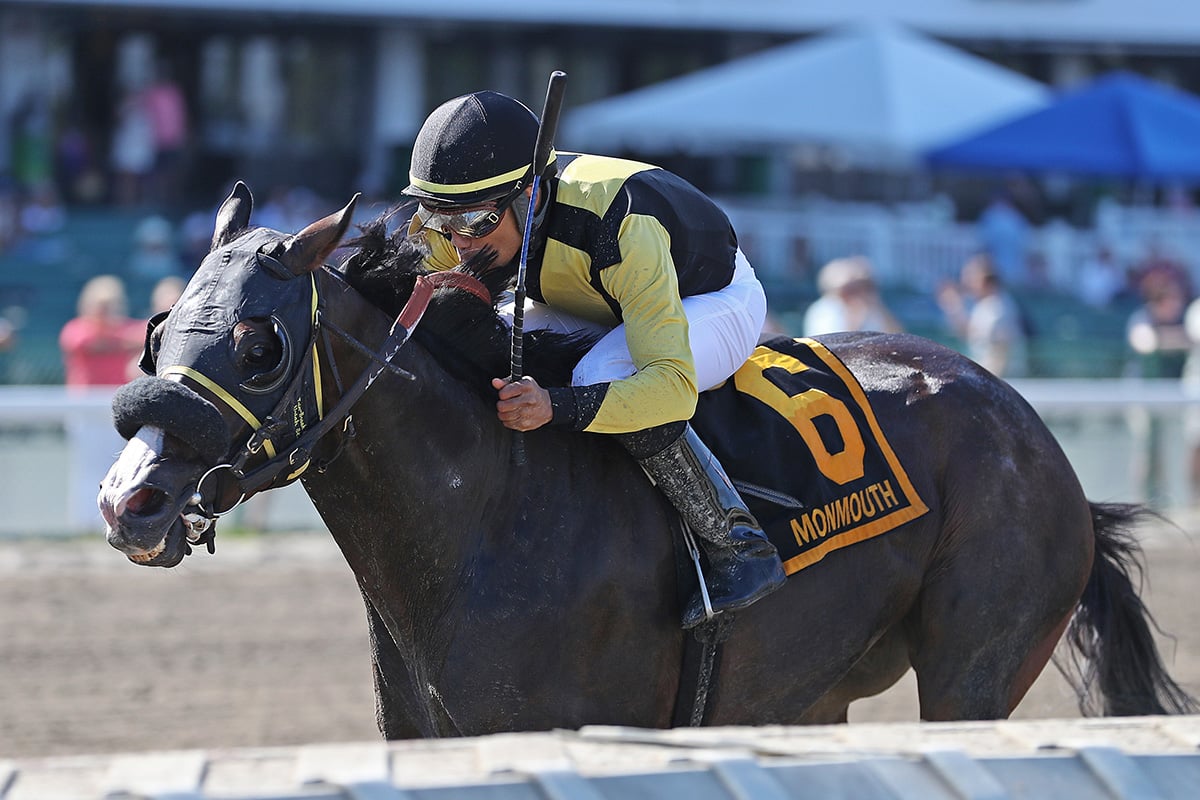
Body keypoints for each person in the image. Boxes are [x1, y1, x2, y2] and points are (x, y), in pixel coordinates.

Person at [401, 89, 786, 628]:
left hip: (708, 298)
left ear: (530, 197)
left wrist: (553, 407)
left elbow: (671, 387)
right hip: (589, 296)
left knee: (600, 371)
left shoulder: (623, 222)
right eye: (439, 220)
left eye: (471, 224)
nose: (455, 241)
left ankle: (735, 542)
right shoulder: (466, 217)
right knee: (482, 341)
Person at [937, 254, 1029, 378]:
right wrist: (954, 307)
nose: (966, 283)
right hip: (988, 379)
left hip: (1004, 381)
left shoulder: (998, 309)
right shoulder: (985, 306)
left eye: (971, 277)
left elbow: (1001, 354)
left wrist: (988, 386)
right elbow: (973, 334)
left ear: (985, 279)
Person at [59, 274, 146, 387]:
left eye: (110, 306)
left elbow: (147, 339)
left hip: (119, 393)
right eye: (101, 306)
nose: (105, 312)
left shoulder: (129, 327)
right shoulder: (76, 329)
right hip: (86, 396)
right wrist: (126, 343)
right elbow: (91, 345)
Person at [802, 256, 903, 337]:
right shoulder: (825, 309)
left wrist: (874, 303)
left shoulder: (872, 308)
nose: (858, 291)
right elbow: (835, 345)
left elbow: (897, 339)